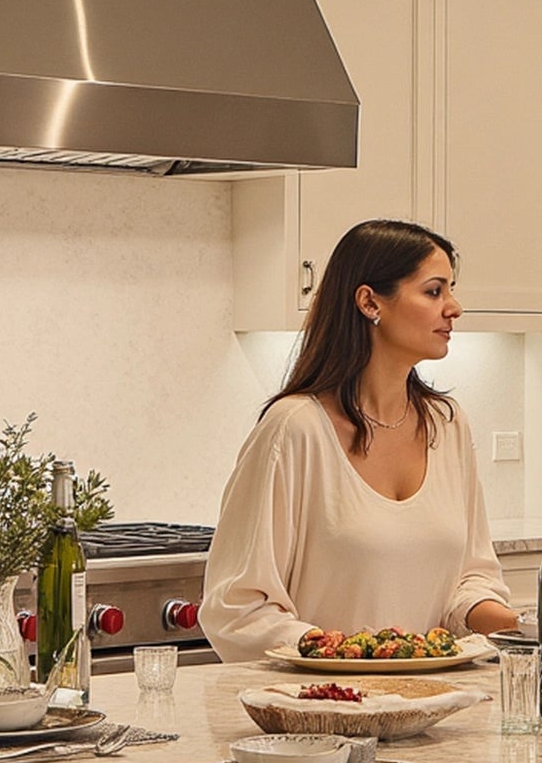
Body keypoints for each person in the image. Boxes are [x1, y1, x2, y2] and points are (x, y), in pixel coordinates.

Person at [201, 218, 518, 662]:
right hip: (327, 700)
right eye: (434, 291)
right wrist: (355, 656)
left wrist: (523, 625)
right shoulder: (294, 430)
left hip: (437, 699)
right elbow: (236, 609)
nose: (454, 308)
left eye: (450, 290)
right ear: (370, 302)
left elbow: (471, 578)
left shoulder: (446, 425)